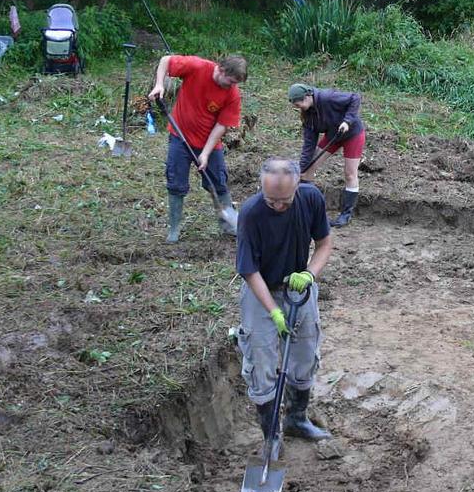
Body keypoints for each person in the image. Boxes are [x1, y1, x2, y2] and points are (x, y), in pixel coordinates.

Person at [235, 158, 333, 458]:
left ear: (297, 188)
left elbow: (325, 243)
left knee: (304, 355)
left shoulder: (311, 198)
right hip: (260, 289)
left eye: (285, 201)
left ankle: (296, 420)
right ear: (260, 189)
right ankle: (271, 437)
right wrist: (273, 312)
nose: (278, 206)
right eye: (271, 200)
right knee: (261, 362)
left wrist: (310, 274)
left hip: (298, 289)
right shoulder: (251, 213)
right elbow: (249, 271)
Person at [148, 54, 246, 242]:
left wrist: (206, 153)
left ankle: (229, 225)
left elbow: (222, 125)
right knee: (176, 183)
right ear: (221, 70)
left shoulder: (233, 94)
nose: (232, 86)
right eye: (230, 81)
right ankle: (174, 229)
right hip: (180, 137)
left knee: (218, 182)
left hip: (208, 142)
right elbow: (165, 60)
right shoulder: (197, 67)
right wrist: (159, 84)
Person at [288, 83, 366, 227]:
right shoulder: (308, 117)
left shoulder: (328, 97)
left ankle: (346, 214)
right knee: (307, 171)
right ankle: (308, 209)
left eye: (299, 105)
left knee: (350, 174)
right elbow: (308, 146)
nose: (299, 108)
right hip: (333, 136)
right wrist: (302, 168)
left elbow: (355, 98)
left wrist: (347, 121)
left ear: (308, 96)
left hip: (352, 134)